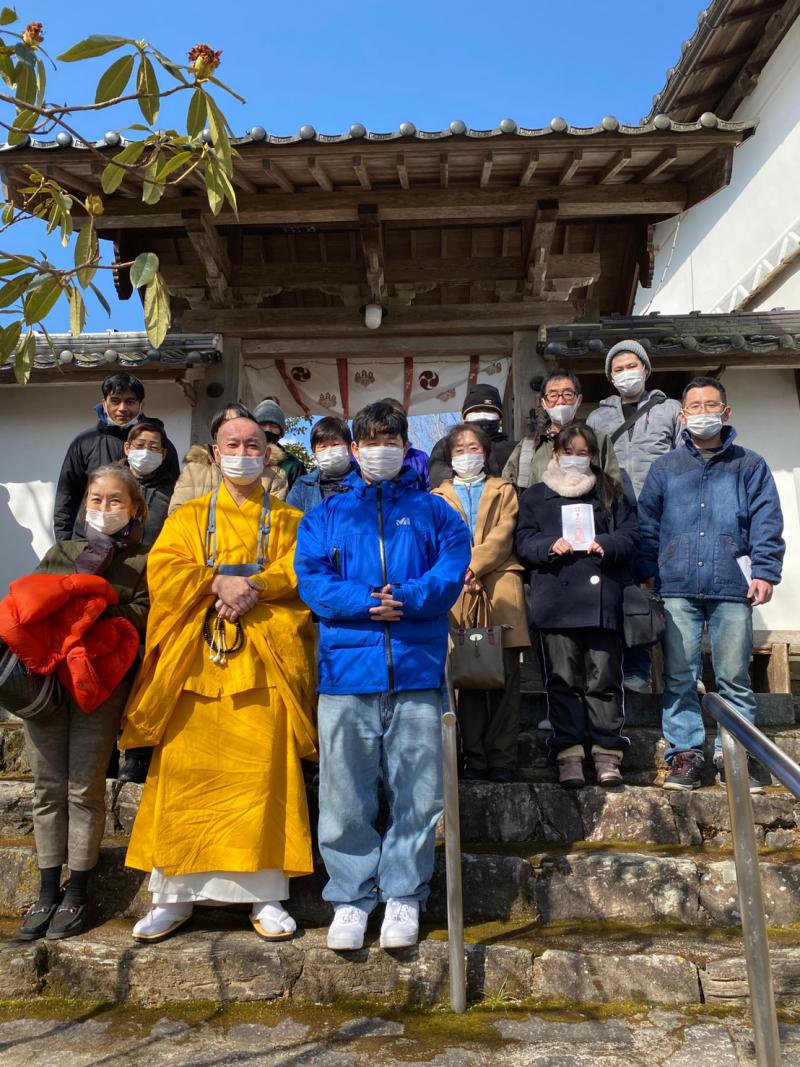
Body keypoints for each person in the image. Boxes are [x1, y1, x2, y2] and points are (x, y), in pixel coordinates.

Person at [120, 413, 317, 944]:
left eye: (254, 443)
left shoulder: (289, 518)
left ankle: (265, 894)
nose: (244, 451)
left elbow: (302, 570)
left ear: (268, 452)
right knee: (185, 778)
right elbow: (163, 573)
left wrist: (249, 589)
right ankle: (172, 896)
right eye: (234, 443)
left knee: (264, 778)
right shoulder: (187, 517)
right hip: (195, 666)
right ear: (215, 449)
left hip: (261, 662)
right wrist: (214, 584)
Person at [294, 402, 470, 951]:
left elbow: (451, 568)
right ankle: (350, 896)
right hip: (346, 673)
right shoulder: (324, 515)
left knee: (419, 792)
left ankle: (403, 894)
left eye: (390, 438)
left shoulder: (434, 510)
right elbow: (311, 578)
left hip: (417, 670)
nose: (380, 448)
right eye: (369, 440)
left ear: (404, 444)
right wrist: (366, 602)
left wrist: (411, 598)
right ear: (353, 449)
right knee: (345, 794)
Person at [13, 466, 149, 940]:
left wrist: (102, 601)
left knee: (83, 789)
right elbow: (29, 607)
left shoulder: (143, 564)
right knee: (47, 788)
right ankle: (47, 890)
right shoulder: (62, 552)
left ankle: (78, 893)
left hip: (100, 688)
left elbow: (145, 620)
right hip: (46, 686)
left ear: (135, 509)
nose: (104, 509)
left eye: (115, 501)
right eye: (96, 499)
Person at [638, 377, 785, 793]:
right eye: (695, 406)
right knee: (680, 675)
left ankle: (735, 754)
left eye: (711, 404)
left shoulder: (749, 465)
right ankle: (685, 754)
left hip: (731, 585)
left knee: (735, 676)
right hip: (677, 585)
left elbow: (766, 521)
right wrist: (649, 569)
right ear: (682, 416)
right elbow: (648, 522)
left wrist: (765, 571)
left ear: (726, 412)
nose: (703, 412)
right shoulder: (665, 468)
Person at [515, 425, 638, 789]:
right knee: (562, 680)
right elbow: (523, 541)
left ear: (593, 457)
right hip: (555, 600)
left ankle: (607, 753)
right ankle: (568, 753)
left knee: (604, 680)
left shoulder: (609, 492)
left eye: (583, 453)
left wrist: (607, 543)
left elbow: (633, 535)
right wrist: (549, 546)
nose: (575, 458)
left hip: (601, 600)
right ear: (553, 455)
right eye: (568, 451)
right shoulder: (536, 496)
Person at [432, 423, 529, 782]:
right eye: (460, 449)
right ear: (450, 455)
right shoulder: (438, 496)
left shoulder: (504, 489)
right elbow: (438, 540)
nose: (467, 455)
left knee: (505, 673)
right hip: (457, 587)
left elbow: (504, 535)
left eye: (474, 448)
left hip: (501, 582)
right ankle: (475, 756)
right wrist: (462, 570)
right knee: (466, 673)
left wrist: (472, 565)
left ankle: (502, 757)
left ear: (486, 453)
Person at [586, 340, 682, 694]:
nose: (626, 374)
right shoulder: (598, 417)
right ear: (611, 378)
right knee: (630, 593)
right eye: (618, 369)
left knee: (670, 592)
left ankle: (683, 666)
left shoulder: (671, 409)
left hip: (664, 515)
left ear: (645, 368)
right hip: (617, 517)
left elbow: (685, 458)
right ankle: (636, 671)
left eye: (632, 366)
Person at [53, 373, 179, 541]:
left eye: (130, 401)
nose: (122, 408)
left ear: (141, 404)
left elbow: (173, 494)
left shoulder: (162, 446)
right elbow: (67, 496)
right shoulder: (85, 443)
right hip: (90, 544)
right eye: (115, 401)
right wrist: (66, 546)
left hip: (145, 548)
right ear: (104, 403)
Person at [503, 370, 621, 491]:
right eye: (553, 395)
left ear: (579, 400)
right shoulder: (528, 445)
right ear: (543, 403)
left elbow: (614, 486)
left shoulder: (598, 439)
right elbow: (508, 488)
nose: (560, 401)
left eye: (567, 394)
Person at [429, 384, 516, 489]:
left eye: (489, 411)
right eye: (477, 411)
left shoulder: (514, 449)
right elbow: (439, 482)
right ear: (465, 417)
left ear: (499, 418)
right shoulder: (446, 445)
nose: (483, 415)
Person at [286, 416, 359, 513]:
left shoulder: (368, 481)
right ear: (314, 453)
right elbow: (293, 523)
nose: (329, 451)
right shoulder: (302, 487)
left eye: (335, 444)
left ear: (350, 448)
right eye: (323, 446)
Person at [122, 420, 174, 547]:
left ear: (163, 454)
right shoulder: (109, 483)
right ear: (127, 448)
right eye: (139, 445)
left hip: (154, 562)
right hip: (113, 563)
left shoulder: (173, 490)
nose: (146, 452)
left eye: (154, 447)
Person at [253, 399, 306, 489]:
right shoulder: (241, 456)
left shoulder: (293, 465)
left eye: (274, 426)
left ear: (281, 433)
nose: (268, 429)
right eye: (263, 424)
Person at [380, 397, 430, 491]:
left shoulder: (420, 458)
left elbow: (431, 493)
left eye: (398, 419)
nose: (392, 423)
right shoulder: (364, 456)